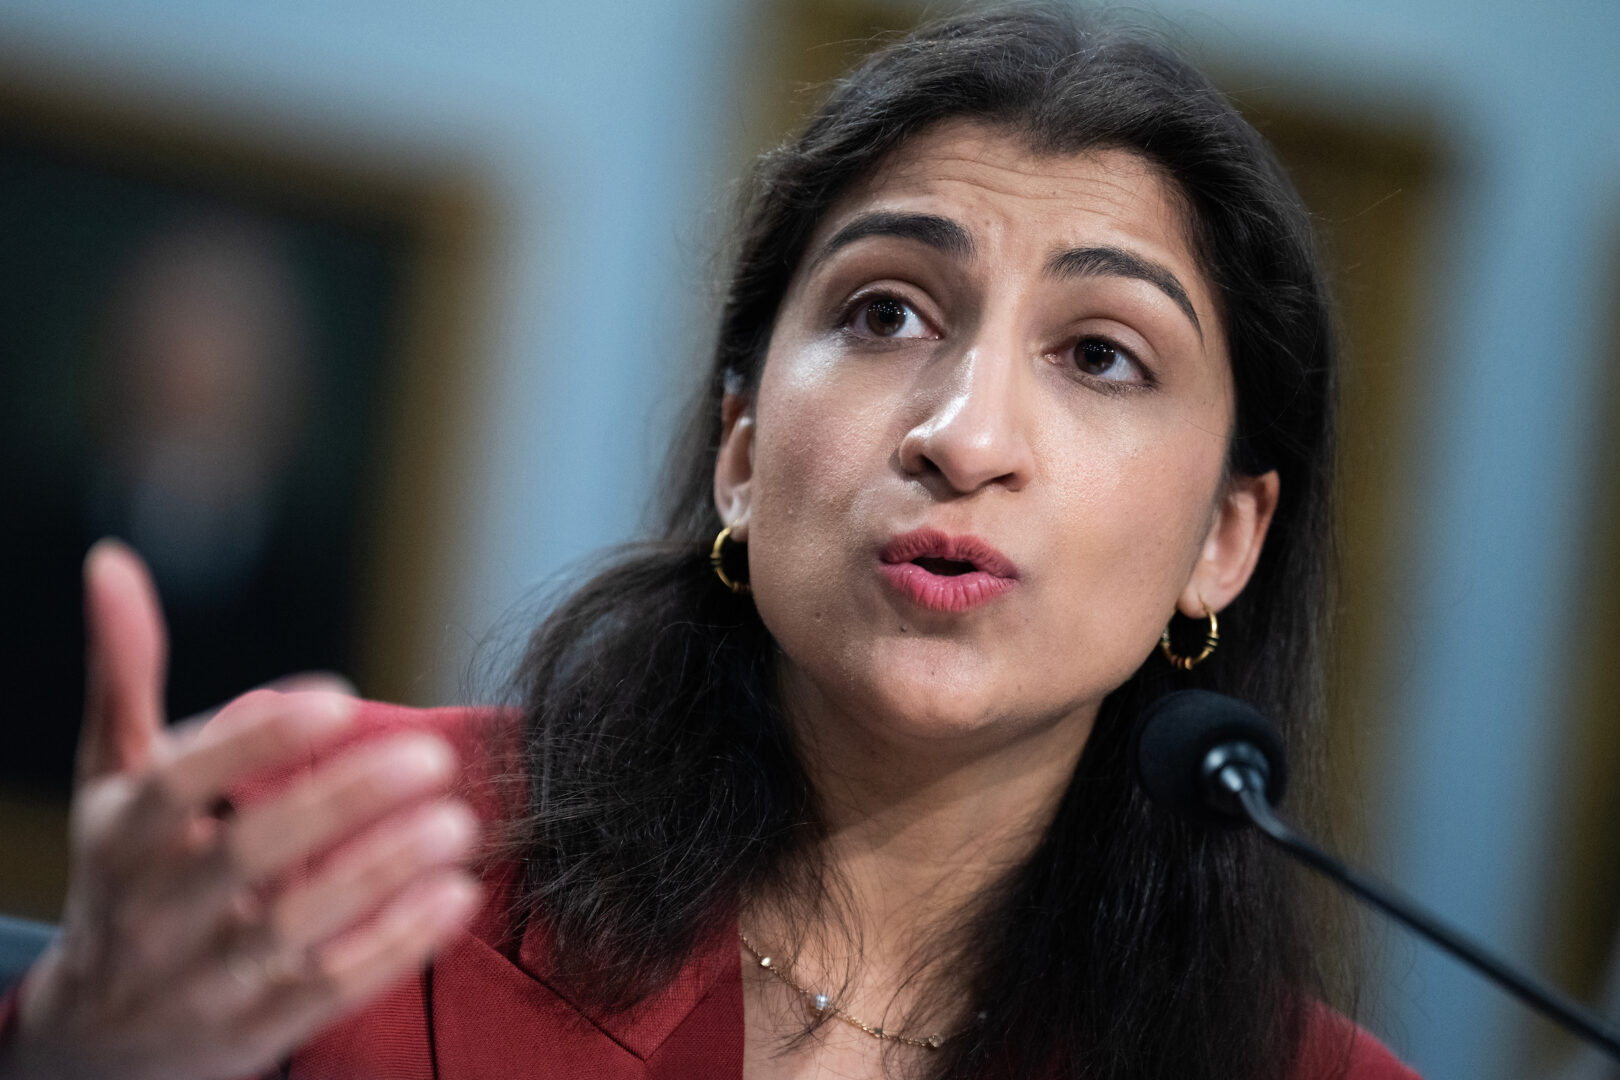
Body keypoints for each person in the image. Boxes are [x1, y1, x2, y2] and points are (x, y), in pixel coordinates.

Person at [0, 4, 1420, 1078]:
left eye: (1102, 355)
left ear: (1223, 542)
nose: (965, 435)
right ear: (741, 448)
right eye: (886, 314)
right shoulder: (348, 857)